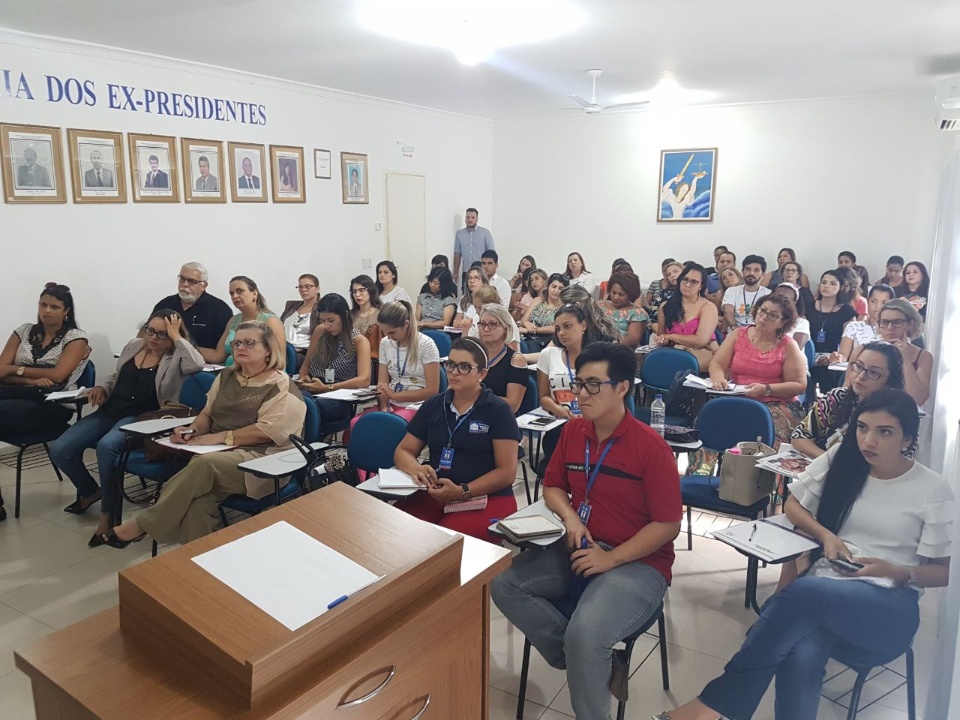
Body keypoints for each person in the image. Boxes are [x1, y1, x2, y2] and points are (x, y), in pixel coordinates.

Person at [658, 389, 952, 720]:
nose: (868, 440)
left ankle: (714, 707)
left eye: (884, 432)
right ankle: (719, 708)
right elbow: (794, 504)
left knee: (802, 596)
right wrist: (825, 535)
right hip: (827, 591)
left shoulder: (932, 488)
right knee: (803, 648)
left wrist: (894, 570)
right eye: (862, 427)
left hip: (887, 608)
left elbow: (945, 573)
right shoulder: (844, 458)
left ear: (907, 439)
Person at [493, 342, 682, 720]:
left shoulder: (651, 448)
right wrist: (571, 518)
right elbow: (552, 487)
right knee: (502, 584)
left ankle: (588, 671)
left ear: (623, 388)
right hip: (579, 544)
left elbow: (668, 525)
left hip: (637, 562)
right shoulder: (574, 431)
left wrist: (610, 558)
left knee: (586, 635)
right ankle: (588, 661)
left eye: (594, 385)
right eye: (579, 384)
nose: (581, 394)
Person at [103, 322, 306, 547]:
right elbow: (208, 413)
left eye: (249, 343)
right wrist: (193, 430)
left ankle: (141, 525)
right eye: (237, 342)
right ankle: (198, 562)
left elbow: (268, 432)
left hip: (263, 460)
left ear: (268, 349)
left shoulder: (280, 384)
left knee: (204, 464)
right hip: (219, 455)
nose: (241, 347)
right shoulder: (227, 376)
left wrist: (219, 438)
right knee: (196, 504)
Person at [48, 310, 204, 544]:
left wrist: (177, 337)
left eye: (162, 334)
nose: (153, 338)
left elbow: (198, 364)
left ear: (173, 336)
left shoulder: (176, 357)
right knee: (61, 448)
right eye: (151, 330)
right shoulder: (134, 346)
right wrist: (101, 387)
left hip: (141, 418)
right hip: (110, 410)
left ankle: (109, 516)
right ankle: (91, 491)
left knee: (107, 446)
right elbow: (116, 375)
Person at [391, 337, 520, 539]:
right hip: (437, 490)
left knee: (446, 541)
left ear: (482, 373)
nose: (454, 372)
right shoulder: (434, 404)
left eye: (465, 367)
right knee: (398, 530)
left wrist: (463, 491)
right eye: (450, 365)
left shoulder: (498, 410)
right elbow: (403, 451)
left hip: (485, 496)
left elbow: (506, 472)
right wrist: (416, 469)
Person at [0, 283, 90, 521]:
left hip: (54, 405)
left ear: (66, 311)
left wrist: (15, 371)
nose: (47, 311)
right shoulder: (24, 330)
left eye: (54, 307)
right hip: (15, 395)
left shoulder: (76, 338)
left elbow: (58, 376)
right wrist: (32, 376)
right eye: (43, 305)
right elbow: (0, 369)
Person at [709, 294, 807, 444]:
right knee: (711, 418)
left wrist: (767, 389)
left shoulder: (788, 345)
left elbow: (799, 385)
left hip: (776, 402)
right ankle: (703, 467)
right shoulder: (738, 334)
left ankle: (760, 467)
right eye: (762, 311)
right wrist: (718, 378)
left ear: (783, 322)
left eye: (772, 316)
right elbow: (717, 364)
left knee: (769, 426)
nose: (764, 317)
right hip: (738, 397)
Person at [792, 342, 906, 459]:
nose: (861, 376)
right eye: (859, 366)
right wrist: (829, 462)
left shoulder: (899, 414)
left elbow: (899, 461)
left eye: (874, 372)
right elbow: (799, 437)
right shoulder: (837, 397)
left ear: (891, 380)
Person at [298, 294, 372, 428]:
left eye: (331, 320)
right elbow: (306, 365)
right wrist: (304, 378)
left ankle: (308, 445)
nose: (326, 325)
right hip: (314, 389)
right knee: (291, 402)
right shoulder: (320, 331)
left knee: (309, 408)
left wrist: (327, 388)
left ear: (344, 315)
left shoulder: (359, 341)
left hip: (339, 396)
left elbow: (364, 379)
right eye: (323, 320)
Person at [364, 301, 441, 423]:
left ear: (406, 324)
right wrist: (383, 407)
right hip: (391, 402)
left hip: (417, 405)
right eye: (384, 332)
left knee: (393, 423)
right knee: (358, 422)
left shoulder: (426, 344)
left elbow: (432, 391)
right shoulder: (385, 343)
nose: (388, 336)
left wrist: (394, 395)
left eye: (392, 332)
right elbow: (382, 385)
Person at [848, 299, 932, 405]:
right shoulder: (863, 350)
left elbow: (918, 399)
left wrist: (905, 359)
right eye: (885, 322)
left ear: (911, 324)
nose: (890, 328)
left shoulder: (923, 356)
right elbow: (848, 388)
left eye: (897, 322)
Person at [152, 262, 233, 359]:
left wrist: (179, 343)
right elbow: (144, 336)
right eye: (182, 279)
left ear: (204, 285)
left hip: (202, 367)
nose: (185, 284)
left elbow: (219, 356)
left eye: (192, 281)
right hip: (163, 362)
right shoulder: (165, 305)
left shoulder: (220, 310)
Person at [208, 276, 285, 368]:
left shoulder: (271, 321)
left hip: (261, 377)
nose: (235, 296)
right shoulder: (233, 321)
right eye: (232, 294)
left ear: (254, 294)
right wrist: (190, 346)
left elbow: (279, 361)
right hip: (232, 373)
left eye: (240, 291)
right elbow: (218, 355)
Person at [655, 263, 720, 371]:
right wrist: (662, 340)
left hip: (701, 355)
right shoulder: (666, 306)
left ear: (701, 286)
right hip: (673, 354)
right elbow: (662, 337)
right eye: (685, 279)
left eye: (694, 282)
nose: (688, 284)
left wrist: (671, 336)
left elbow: (700, 340)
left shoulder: (708, 307)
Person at [808, 270, 858, 392]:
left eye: (832, 283)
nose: (826, 286)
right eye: (824, 282)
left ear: (841, 287)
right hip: (808, 358)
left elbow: (848, 343)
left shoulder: (847, 312)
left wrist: (834, 358)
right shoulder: (808, 306)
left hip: (833, 360)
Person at [476, 304, 528, 412]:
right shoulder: (473, 355)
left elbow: (513, 405)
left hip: (499, 417)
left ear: (505, 328)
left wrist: (475, 397)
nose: (486, 329)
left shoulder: (516, 360)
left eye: (492, 324)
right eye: (482, 324)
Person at [838, 283, 896, 359]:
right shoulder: (853, 326)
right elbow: (843, 355)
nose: (877, 306)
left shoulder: (896, 330)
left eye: (883, 302)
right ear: (868, 301)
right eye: (873, 301)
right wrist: (837, 358)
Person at [520, 272, 568, 352]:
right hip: (526, 336)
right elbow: (523, 321)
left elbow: (555, 328)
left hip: (545, 342)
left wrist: (533, 330)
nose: (556, 291)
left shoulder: (563, 308)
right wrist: (526, 323)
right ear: (548, 286)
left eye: (560, 289)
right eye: (554, 287)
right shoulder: (537, 300)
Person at [722, 254, 771, 330]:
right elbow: (728, 312)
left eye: (756, 270)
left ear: (763, 274)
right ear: (742, 271)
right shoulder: (732, 291)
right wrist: (735, 328)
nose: (751, 273)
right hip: (735, 334)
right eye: (748, 269)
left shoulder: (768, 294)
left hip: (758, 335)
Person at [453, 207, 495, 294]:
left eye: (472, 217)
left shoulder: (485, 233)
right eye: (467, 217)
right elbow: (457, 253)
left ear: (477, 219)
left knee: (482, 294)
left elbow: (491, 253)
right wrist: (455, 272)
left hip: (481, 271)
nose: (470, 220)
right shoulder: (459, 234)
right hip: (466, 271)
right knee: (466, 294)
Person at [602, 271, 649, 348]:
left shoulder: (637, 313)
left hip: (622, 351)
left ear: (630, 295)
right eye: (613, 293)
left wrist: (611, 348)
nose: (616, 297)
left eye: (621, 294)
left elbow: (633, 339)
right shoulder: (600, 306)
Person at [280, 274, 321, 361]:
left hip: (304, 353)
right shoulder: (291, 306)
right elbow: (279, 327)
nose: (303, 290)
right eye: (300, 287)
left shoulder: (321, 309)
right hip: (283, 350)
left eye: (308, 286)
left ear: (317, 289)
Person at [772, 283, 810, 349]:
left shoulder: (802, 323)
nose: (780, 301)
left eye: (785, 299)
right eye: (777, 296)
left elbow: (796, 349)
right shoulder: (763, 317)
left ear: (794, 302)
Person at [647, 261, 682, 331]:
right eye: (668, 274)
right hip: (665, 333)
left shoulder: (694, 294)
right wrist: (663, 335)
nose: (672, 275)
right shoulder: (663, 294)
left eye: (675, 271)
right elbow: (653, 319)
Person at [454, 265, 490, 331]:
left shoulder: (489, 298)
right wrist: (457, 322)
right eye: (469, 278)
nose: (472, 281)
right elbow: (457, 319)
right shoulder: (464, 299)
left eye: (476, 278)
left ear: (483, 281)